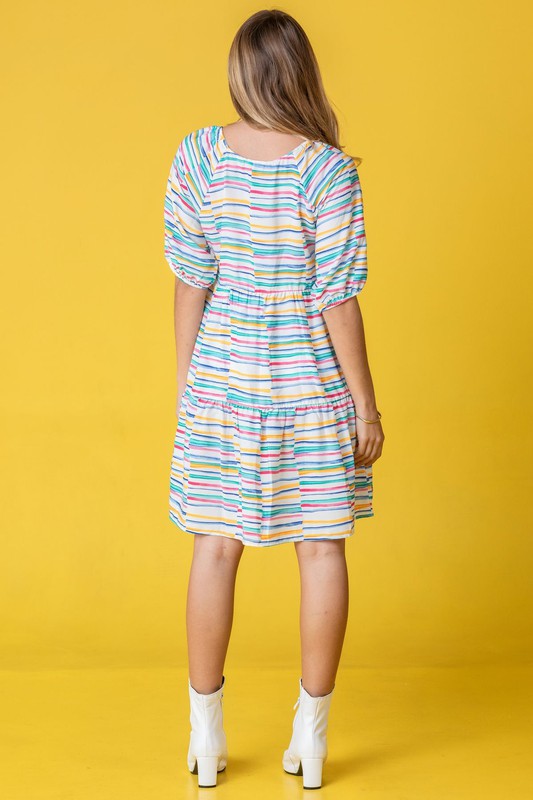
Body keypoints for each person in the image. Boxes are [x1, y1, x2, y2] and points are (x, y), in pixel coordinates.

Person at [163, 8, 385, 789]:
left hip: (221, 392)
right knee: (321, 551)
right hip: (310, 395)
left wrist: (191, 384)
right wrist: (365, 405)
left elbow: (191, 282)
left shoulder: (196, 157)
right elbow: (338, 300)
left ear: (239, 73)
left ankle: (205, 741)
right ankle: (312, 740)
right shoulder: (328, 170)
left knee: (212, 550)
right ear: (301, 73)